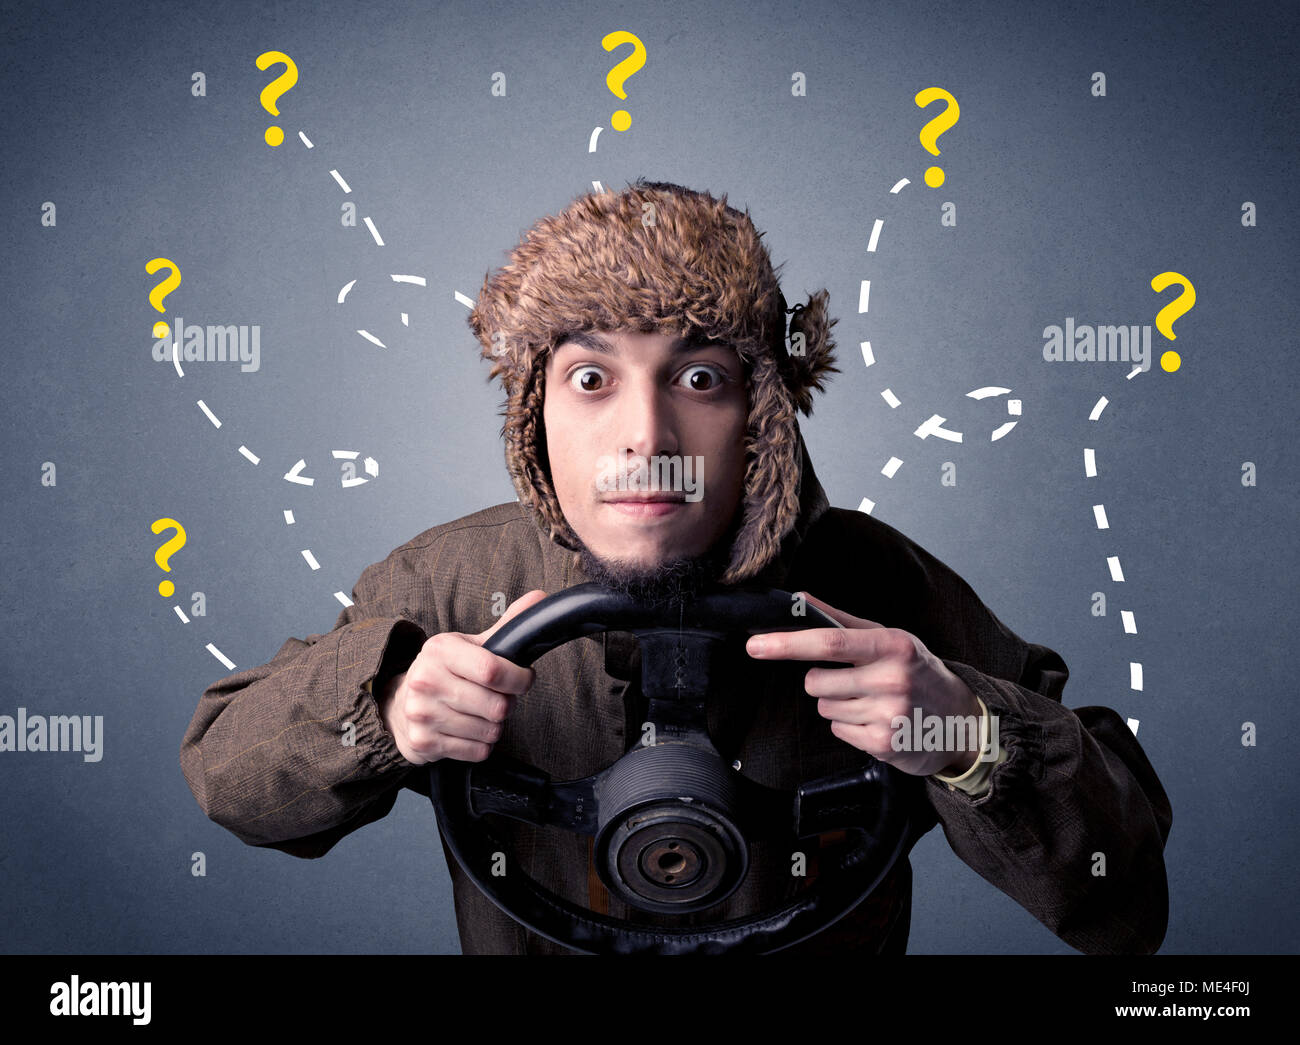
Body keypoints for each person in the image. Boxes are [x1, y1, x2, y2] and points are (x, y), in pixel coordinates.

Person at [180, 179, 1172, 954]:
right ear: (533, 413)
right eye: (590, 378)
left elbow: (1119, 901)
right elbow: (230, 776)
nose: (645, 434)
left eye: (700, 378)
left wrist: (968, 735)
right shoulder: (448, 580)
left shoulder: (881, 590)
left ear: (764, 415)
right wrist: (383, 711)